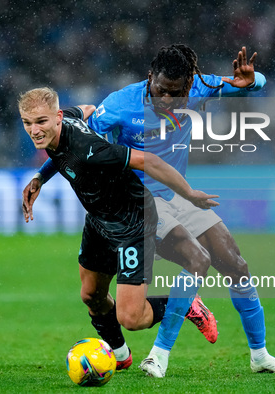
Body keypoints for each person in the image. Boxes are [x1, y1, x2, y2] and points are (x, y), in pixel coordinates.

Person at [25, 45, 275, 376]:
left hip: (179, 194)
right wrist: (43, 175)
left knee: (235, 264)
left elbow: (251, 83)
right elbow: (76, 144)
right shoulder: (119, 106)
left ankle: (259, 356)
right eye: (160, 91)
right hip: (139, 199)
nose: (167, 100)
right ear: (149, 79)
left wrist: (253, 79)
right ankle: (159, 347)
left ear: (190, 84)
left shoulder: (202, 84)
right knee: (175, 269)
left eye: (176, 94)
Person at [18, 87, 220, 371]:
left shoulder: (89, 150)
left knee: (132, 318)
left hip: (133, 222)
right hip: (100, 219)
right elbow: (87, 108)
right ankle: (120, 356)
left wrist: (188, 193)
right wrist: (40, 177)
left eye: (40, 121)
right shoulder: (65, 123)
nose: (34, 130)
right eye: (27, 122)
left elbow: (148, 161)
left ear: (57, 117)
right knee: (91, 295)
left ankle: (184, 304)